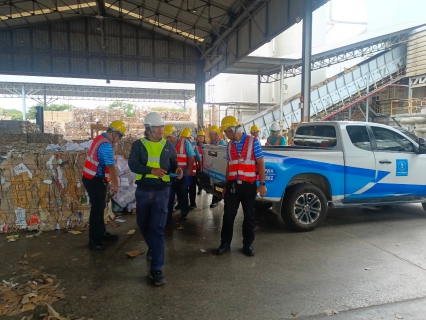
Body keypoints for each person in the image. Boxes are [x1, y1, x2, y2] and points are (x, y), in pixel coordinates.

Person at [128, 112, 183, 286]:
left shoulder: (168, 146)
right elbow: (133, 165)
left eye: (162, 126)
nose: (161, 130)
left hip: (162, 191)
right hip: (143, 190)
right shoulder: (138, 145)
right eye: (158, 127)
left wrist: (178, 169)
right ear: (149, 128)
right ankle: (152, 246)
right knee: (143, 224)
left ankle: (156, 269)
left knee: (157, 228)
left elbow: (173, 163)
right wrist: (150, 170)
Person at [216, 116, 267, 257]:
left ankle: (247, 245)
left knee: (249, 217)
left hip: (249, 186)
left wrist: (262, 184)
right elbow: (229, 166)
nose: (225, 135)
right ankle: (225, 243)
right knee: (228, 216)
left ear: (232, 130)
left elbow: (261, 163)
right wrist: (226, 186)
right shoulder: (230, 145)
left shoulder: (253, 142)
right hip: (232, 186)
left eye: (226, 132)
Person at [82, 120, 126, 251]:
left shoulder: (100, 138)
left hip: (94, 178)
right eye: (120, 136)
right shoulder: (106, 145)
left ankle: (101, 233)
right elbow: (111, 166)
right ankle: (94, 239)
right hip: (94, 179)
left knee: (100, 208)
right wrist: (116, 184)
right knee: (97, 209)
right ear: (114, 133)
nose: (119, 140)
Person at [164, 125, 195, 222]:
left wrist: (190, 169)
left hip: (182, 174)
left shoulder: (184, 142)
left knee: (183, 193)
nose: (168, 139)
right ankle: (168, 216)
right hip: (169, 175)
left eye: (169, 137)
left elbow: (191, 156)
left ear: (175, 134)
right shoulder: (164, 144)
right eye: (166, 137)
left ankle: (184, 213)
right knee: (169, 196)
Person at [208, 125, 227, 208]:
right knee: (214, 185)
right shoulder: (210, 143)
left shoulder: (222, 143)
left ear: (216, 134)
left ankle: (215, 200)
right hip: (213, 167)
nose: (210, 136)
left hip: (220, 168)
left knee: (218, 185)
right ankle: (216, 198)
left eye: (211, 134)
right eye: (209, 134)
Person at [188, 134, 201, 209]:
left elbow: (198, 158)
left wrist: (199, 170)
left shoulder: (194, 147)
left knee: (192, 188)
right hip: (183, 172)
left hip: (192, 172)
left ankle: (192, 203)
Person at [195, 130, 206, 195]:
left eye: (202, 136)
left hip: (206, 165)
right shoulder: (195, 146)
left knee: (206, 177)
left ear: (204, 137)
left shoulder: (207, 146)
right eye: (199, 136)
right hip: (198, 165)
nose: (200, 138)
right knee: (198, 178)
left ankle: (206, 188)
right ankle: (200, 189)